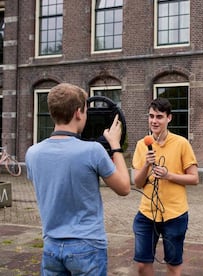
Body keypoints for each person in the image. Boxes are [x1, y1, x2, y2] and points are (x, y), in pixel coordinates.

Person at [25, 83, 131, 275]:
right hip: (88, 245)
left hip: (51, 245)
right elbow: (124, 187)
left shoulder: (33, 153)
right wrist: (115, 145)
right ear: (78, 113)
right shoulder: (93, 151)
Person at [133, 97, 199, 276]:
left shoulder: (181, 143)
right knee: (141, 264)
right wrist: (147, 165)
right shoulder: (142, 145)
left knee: (173, 265)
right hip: (147, 213)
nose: (154, 121)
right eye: (151, 116)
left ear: (169, 118)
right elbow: (137, 183)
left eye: (159, 117)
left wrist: (169, 175)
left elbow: (194, 178)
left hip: (175, 214)